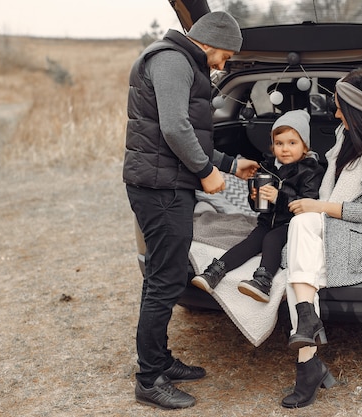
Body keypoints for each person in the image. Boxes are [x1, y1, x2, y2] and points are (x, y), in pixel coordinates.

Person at [122, 12, 258, 410]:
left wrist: (230, 166)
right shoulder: (170, 60)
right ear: (213, 41)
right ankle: (149, 379)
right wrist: (206, 172)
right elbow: (175, 129)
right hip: (159, 187)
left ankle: (159, 360)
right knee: (164, 281)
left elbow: (186, 137)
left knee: (165, 275)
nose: (225, 64)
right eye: (227, 55)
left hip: (168, 181)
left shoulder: (182, 61)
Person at [281, 69, 362, 408]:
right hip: (336, 217)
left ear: (356, 112)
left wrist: (317, 206)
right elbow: (328, 185)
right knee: (301, 233)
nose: (335, 113)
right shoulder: (345, 133)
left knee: (299, 256)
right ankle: (307, 339)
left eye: (339, 108)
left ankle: (309, 355)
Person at [191, 110, 325, 302]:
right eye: (279, 143)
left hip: (292, 225)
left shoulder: (310, 170)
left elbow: (306, 203)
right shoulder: (267, 167)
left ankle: (263, 282)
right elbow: (259, 208)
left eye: (292, 143)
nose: (285, 149)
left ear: (305, 147)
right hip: (267, 221)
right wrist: (254, 197)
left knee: (271, 239)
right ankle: (215, 271)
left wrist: (279, 197)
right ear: (272, 146)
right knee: (252, 240)